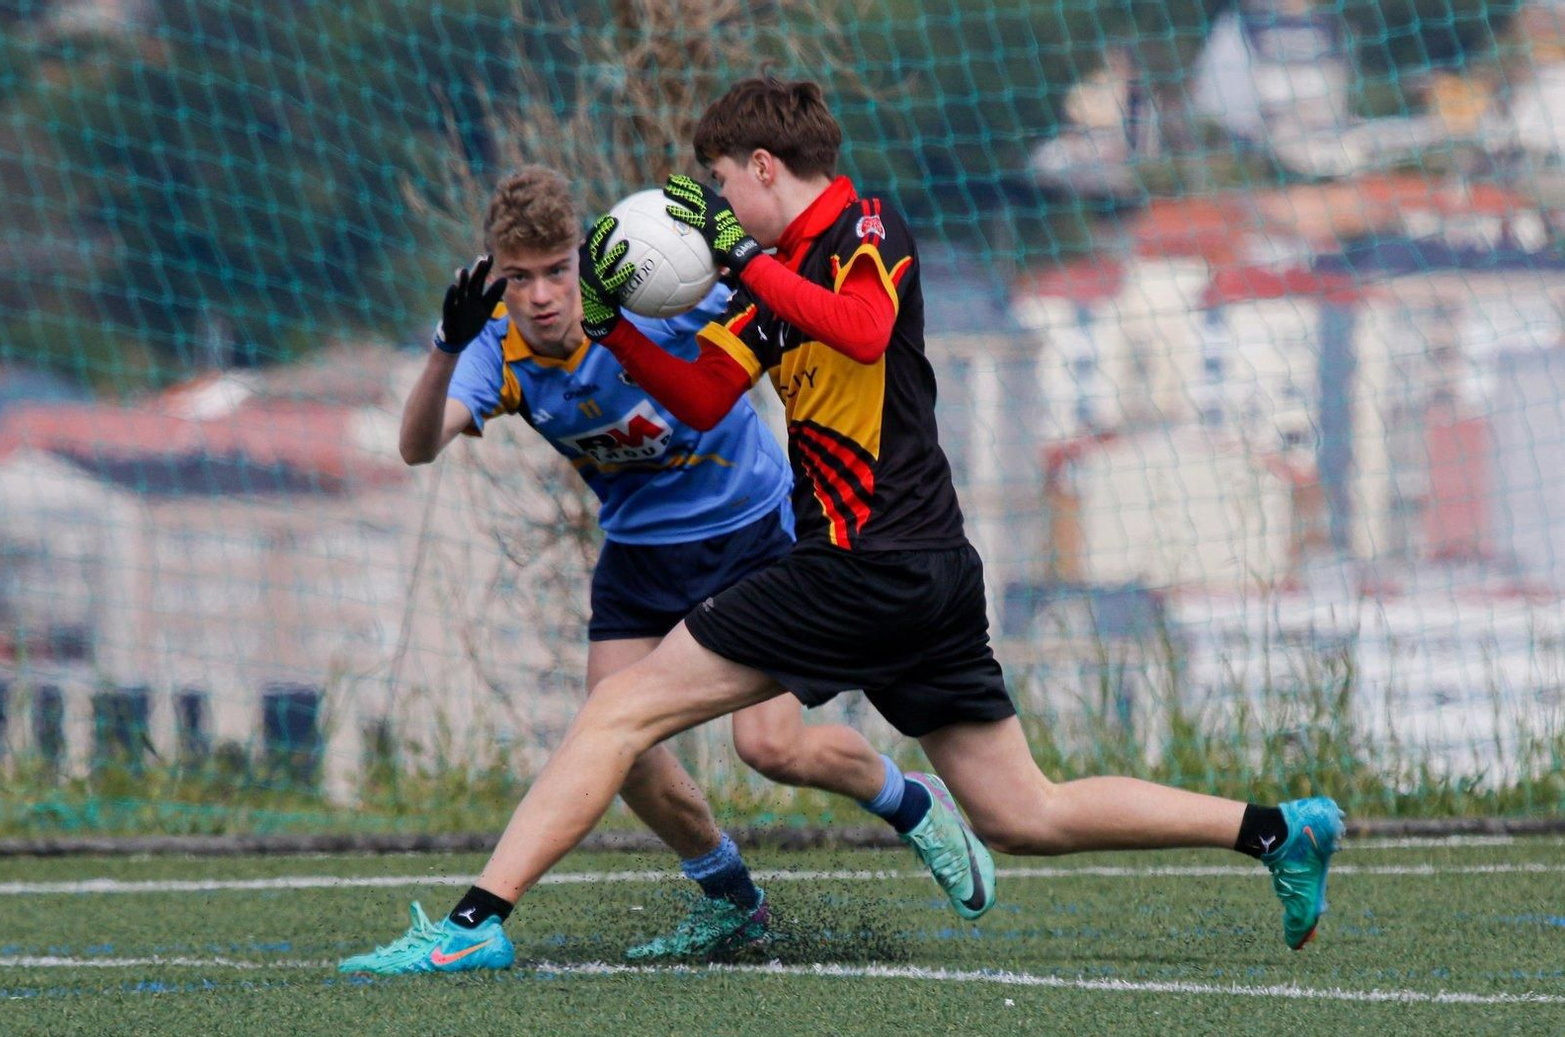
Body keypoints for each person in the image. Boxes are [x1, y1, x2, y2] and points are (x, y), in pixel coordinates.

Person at [349, 81, 1343, 975]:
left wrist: (738, 256)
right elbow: (697, 397)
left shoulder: (861, 226)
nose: (717, 209)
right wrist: (614, 328)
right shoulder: (768, 278)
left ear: (765, 168)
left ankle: (472, 921)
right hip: (920, 571)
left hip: (861, 566)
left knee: (618, 714)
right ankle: (1274, 831)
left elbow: (862, 328)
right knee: (1022, 810)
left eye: (723, 186)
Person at [341, 165, 980, 972]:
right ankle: (733, 903)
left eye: (556, 271)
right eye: (519, 277)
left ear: (582, 260)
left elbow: (775, 313)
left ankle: (911, 800)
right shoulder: (495, 346)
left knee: (771, 747)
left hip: (751, 532)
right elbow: (416, 445)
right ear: (497, 276)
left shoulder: (657, 295)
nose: (540, 294)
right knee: (619, 741)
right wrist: (445, 347)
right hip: (639, 553)